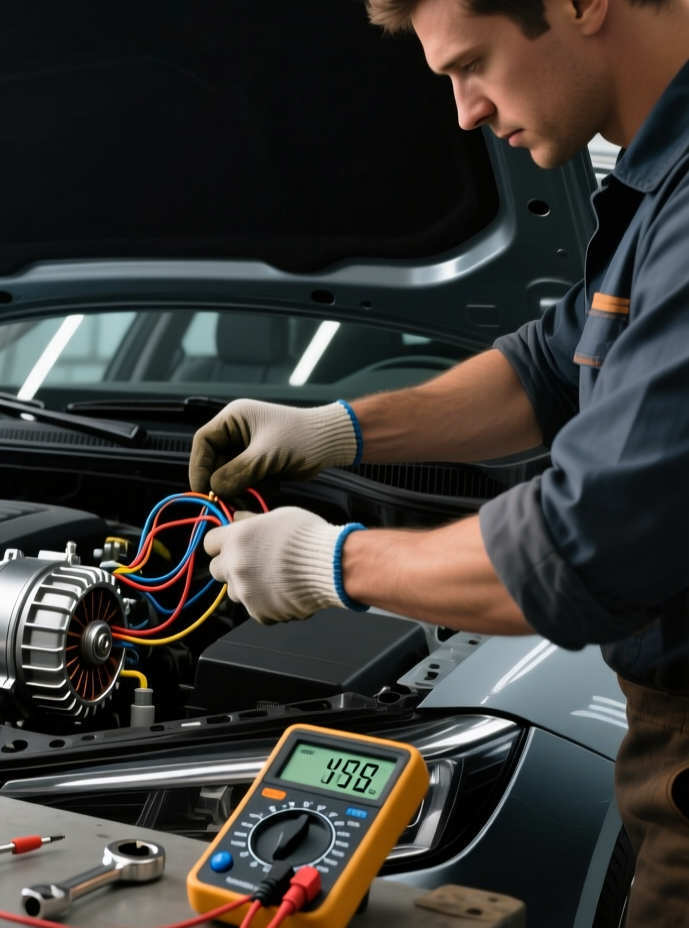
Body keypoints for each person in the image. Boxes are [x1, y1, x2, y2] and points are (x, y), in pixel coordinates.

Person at [190, 0, 689, 922]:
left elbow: (580, 550)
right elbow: (548, 363)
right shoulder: (659, 188)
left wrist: (324, 562)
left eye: (472, 64)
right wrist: (334, 426)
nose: (464, 112)